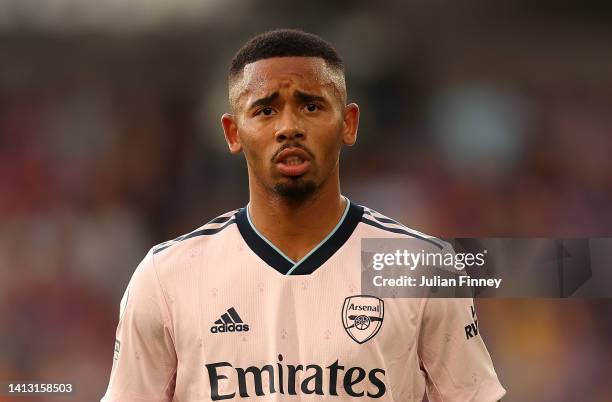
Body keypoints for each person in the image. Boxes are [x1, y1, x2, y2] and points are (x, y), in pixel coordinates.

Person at [101, 29, 505, 401]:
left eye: (311, 106)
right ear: (232, 133)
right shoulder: (167, 276)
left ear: (348, 123)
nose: (289, 127)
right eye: (265, 110)